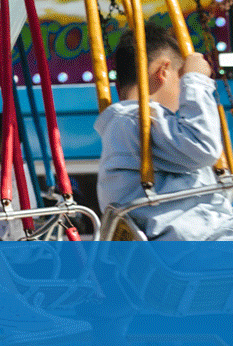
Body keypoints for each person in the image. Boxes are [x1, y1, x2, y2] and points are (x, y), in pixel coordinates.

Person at [94, 25, 233, 240]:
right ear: (164, 71)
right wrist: (196, 80)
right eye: (182, 79)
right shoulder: (135, 120)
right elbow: (204, 147)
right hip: (200, 246)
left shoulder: (127, 127)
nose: (182, 92)